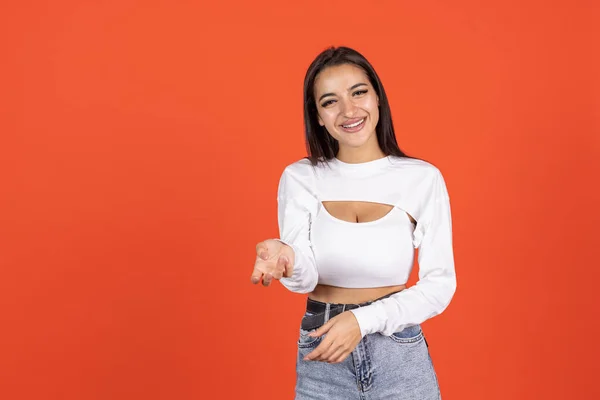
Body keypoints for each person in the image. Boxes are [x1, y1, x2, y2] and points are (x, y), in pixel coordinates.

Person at [250, 46, 457, 400]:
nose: (349, 110)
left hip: (399, 356)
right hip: (323, 352)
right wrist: (288, 259)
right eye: (330, 101)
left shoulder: (422, 179)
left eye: (358, 92)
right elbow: (307, 278)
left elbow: (439, 285)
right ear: (317, 115)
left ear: (377, 97)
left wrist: (361, 322)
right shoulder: (301, 178)